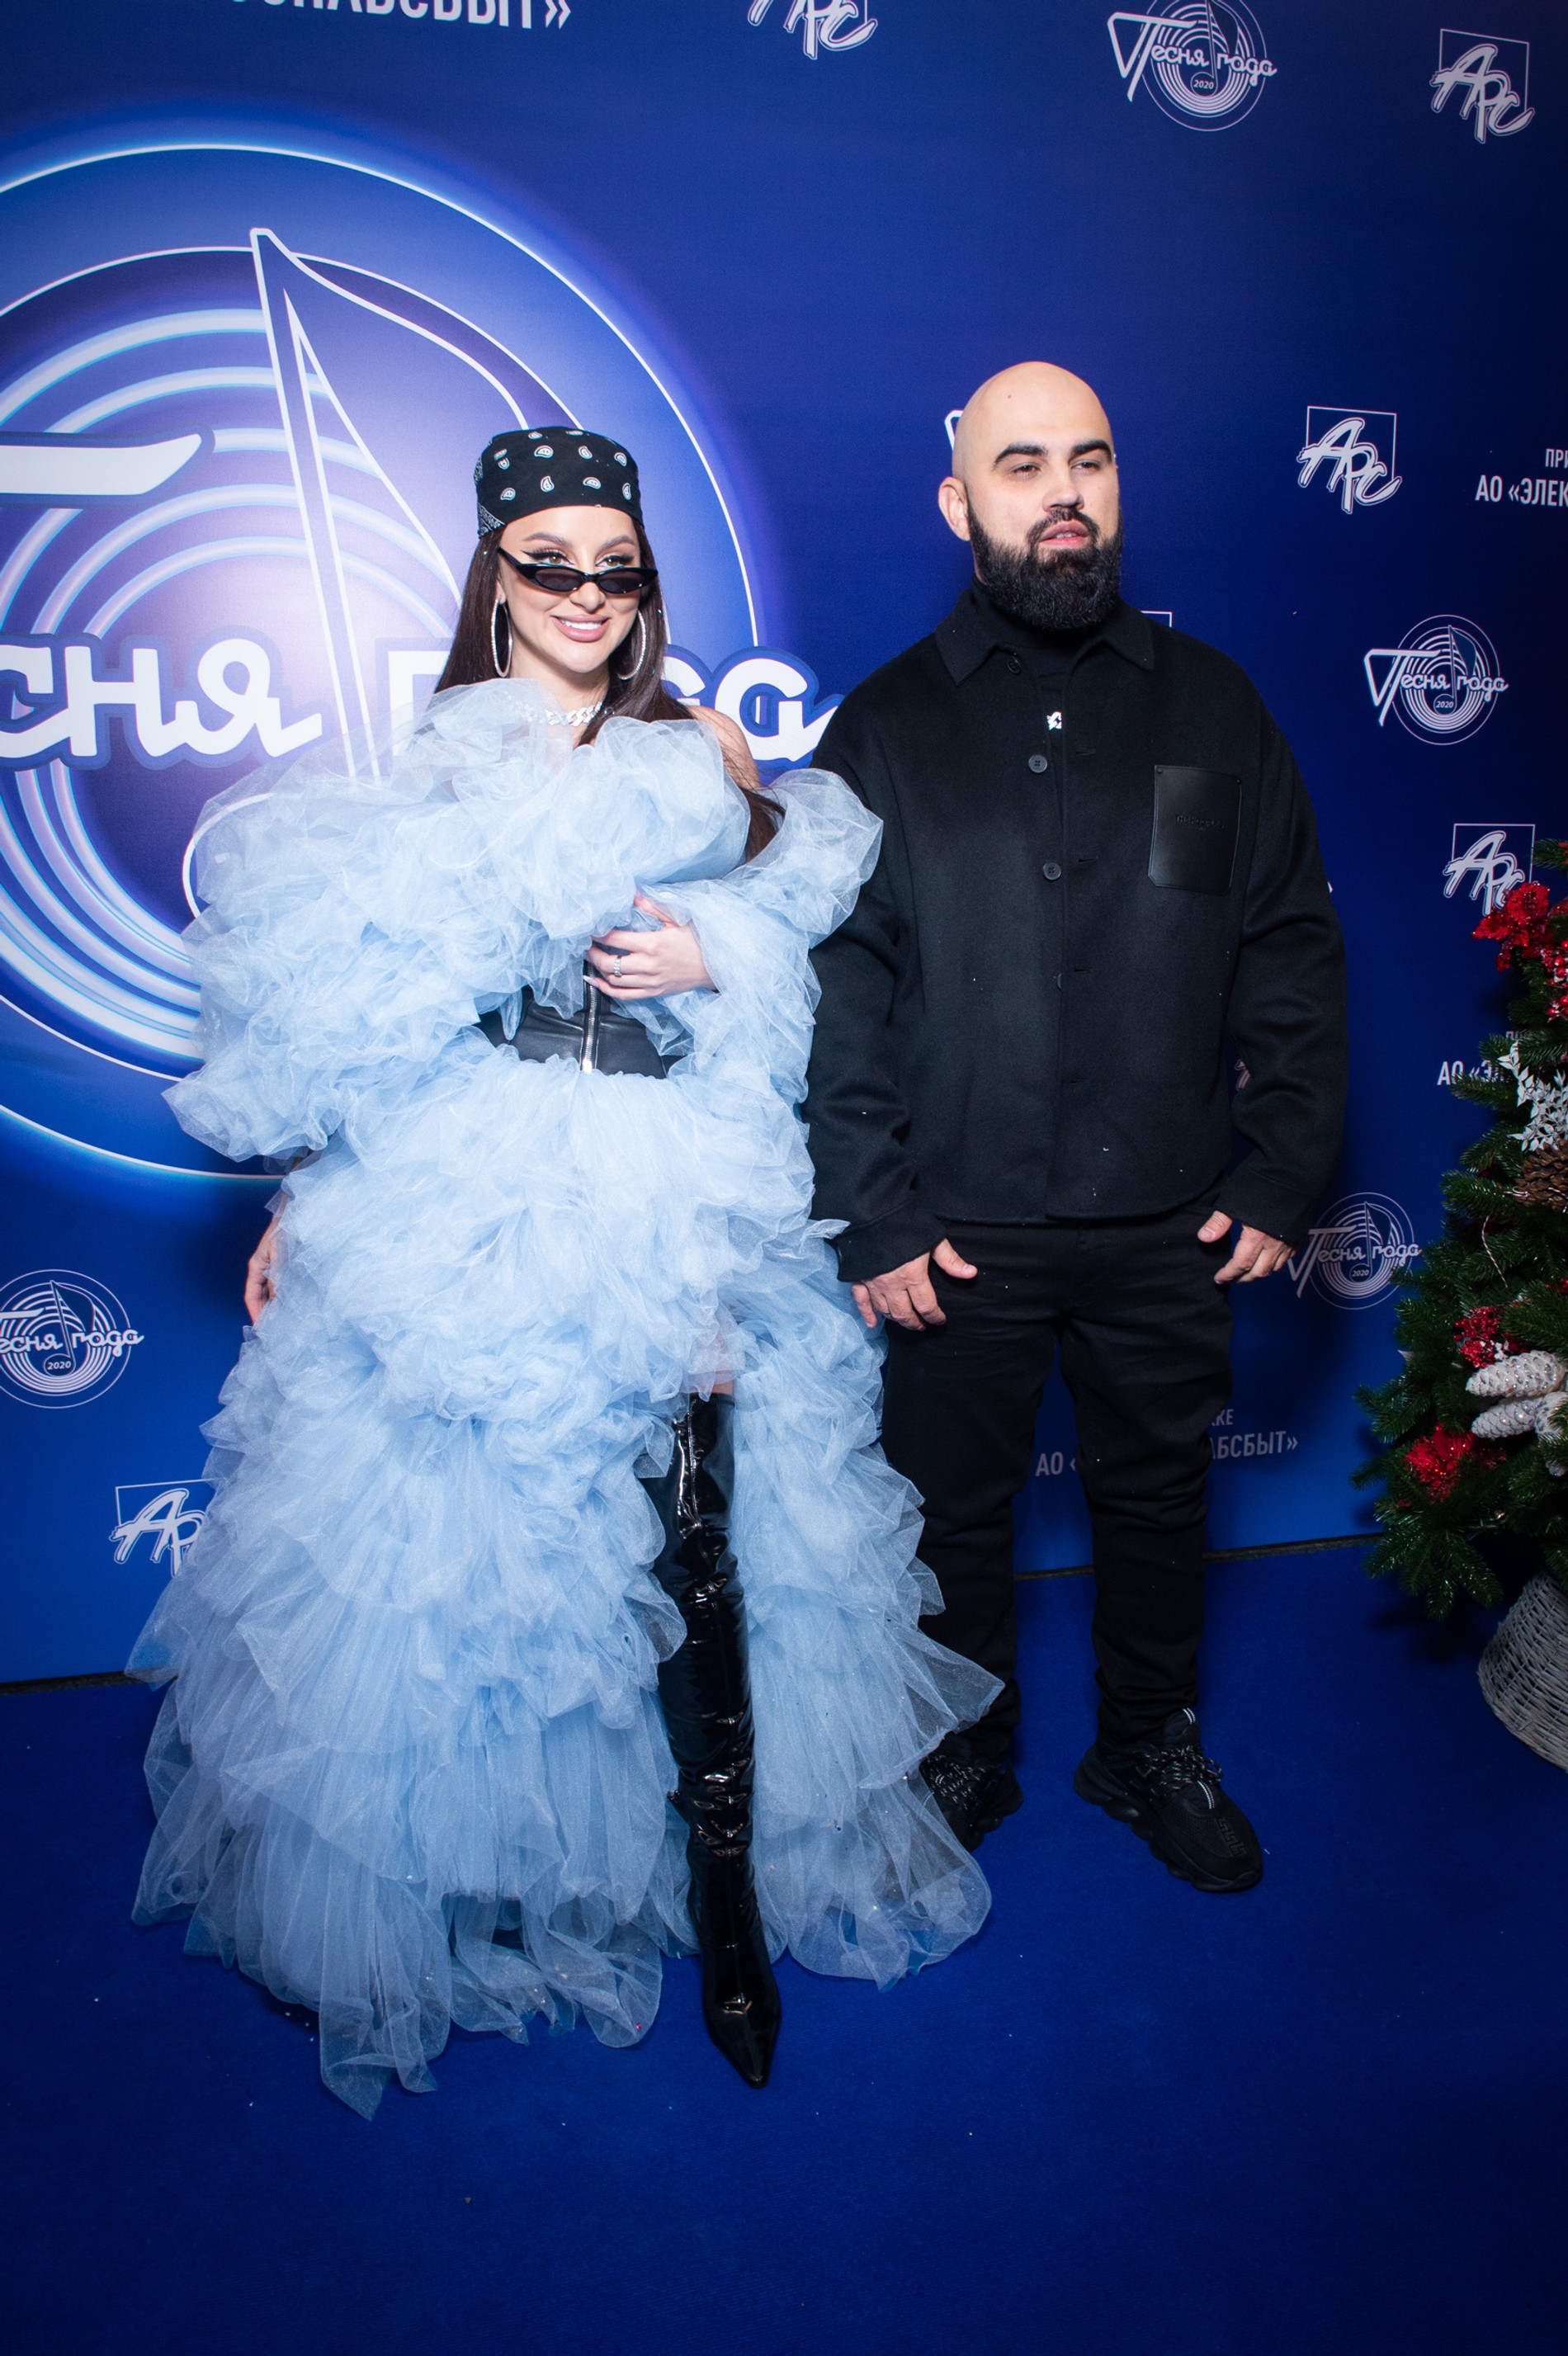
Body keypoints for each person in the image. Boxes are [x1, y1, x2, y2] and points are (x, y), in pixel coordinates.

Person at [129, 429, 997, 2113]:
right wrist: (306, 1201)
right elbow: (382, 1006)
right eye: (551, 565)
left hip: (676, 1167)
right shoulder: (435, 765)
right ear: (496, 574)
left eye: (617, 569)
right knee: (480, 1542)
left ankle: (727, 1911)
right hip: (480, 1172)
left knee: (707, 1547)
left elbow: (816, 974)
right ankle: (493, 1881)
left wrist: (713, 950)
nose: (586, 596)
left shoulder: (701, 749)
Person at [803, 364, 1347, 1891]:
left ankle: (1147, 1744)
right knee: (951, 1517)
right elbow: (840, 989)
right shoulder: (886, 726)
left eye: (1090, 461)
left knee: (1160, 1501)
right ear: (958, 501)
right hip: (954, 1224)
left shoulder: (1215, 705)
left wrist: (1284, 1171)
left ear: (1117, 487)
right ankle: (964, 1750)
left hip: (1169, 1215)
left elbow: (1288, 947)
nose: (1063, 494)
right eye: (1023, 464)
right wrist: (875, 1210)